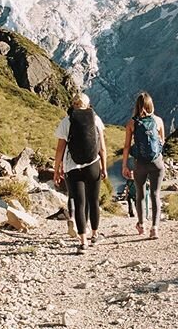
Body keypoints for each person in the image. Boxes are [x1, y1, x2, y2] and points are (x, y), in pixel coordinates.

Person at [54, 93, 107, 254]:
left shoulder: (67, 121)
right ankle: (95, 235)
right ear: (88, 104)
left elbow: (60, 149)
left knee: (79, 203)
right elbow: (102, 147)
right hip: (93, 165)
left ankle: (83, 242)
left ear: (73, 104)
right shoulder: (96, 119)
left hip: (72, 167)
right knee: (93, 200)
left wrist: (56, 169)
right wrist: (104, 167)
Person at [122, 92, 166, 240]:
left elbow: (127, 147)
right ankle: (155, 228)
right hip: (157, 163)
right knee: (155, 194)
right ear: (150, 105)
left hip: (140, 164)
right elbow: (162, 142)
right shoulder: (158, 121)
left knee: (140, 194)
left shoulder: (131, 123)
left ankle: (141, 225)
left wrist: (125, 166)